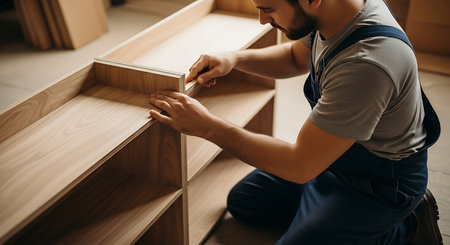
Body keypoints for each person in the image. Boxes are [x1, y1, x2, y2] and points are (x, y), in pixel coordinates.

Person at [148, 0, 443, 244]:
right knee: (245, 202)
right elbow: (293, 57)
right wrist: (235, 58)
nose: (263, 20)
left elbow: (298, 166)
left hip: (378, 184)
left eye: (269, 8)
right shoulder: (336, 12)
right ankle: (325, 215)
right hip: (333, 160)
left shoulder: (368, 63)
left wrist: (208, 126)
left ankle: (406, 226)